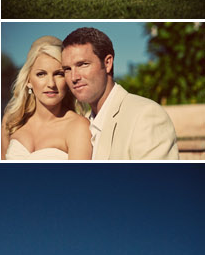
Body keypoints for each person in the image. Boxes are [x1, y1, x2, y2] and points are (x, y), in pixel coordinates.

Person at [61, 26, 179, 160]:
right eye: (67, 69)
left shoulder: (146, 115)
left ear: (107, 63)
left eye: (83, 64)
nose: (74, 77)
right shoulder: (83, 125)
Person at [2, 35, 92, 162]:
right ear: (29, 80)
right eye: (41, 74)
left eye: (59, 74)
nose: (51, 83)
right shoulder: (12, 121)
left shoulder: (78, 126)